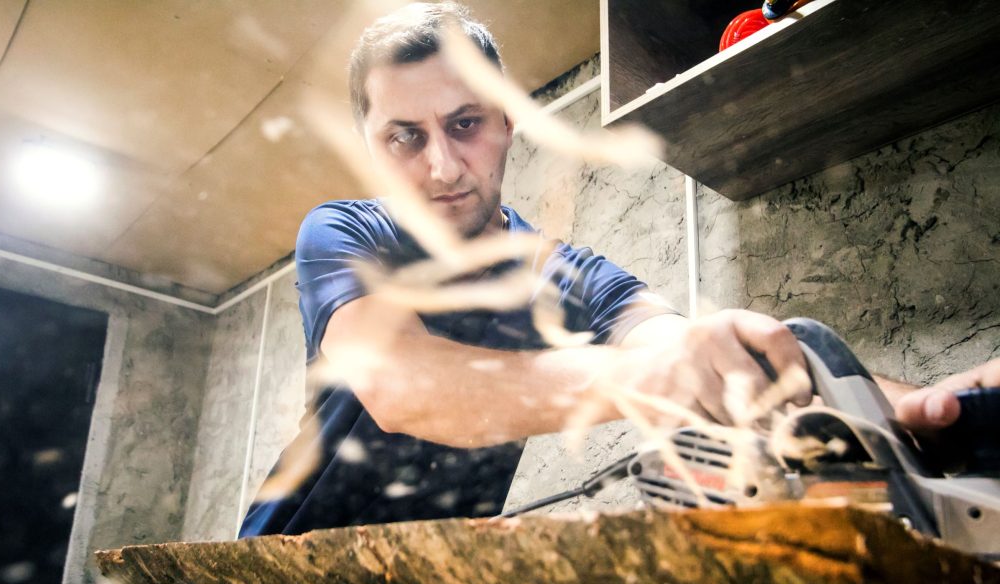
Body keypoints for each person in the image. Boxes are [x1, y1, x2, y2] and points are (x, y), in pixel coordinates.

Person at [239, 2, 997, 537]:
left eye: (465, 124)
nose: (442, 166)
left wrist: (934, 404)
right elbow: (404, 389)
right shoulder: (343, 232)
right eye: (405, 137)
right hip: (267, 575)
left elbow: (687, 348)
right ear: (371, 148)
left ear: (507, 124)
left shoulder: (571, 275)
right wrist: (650, 380)